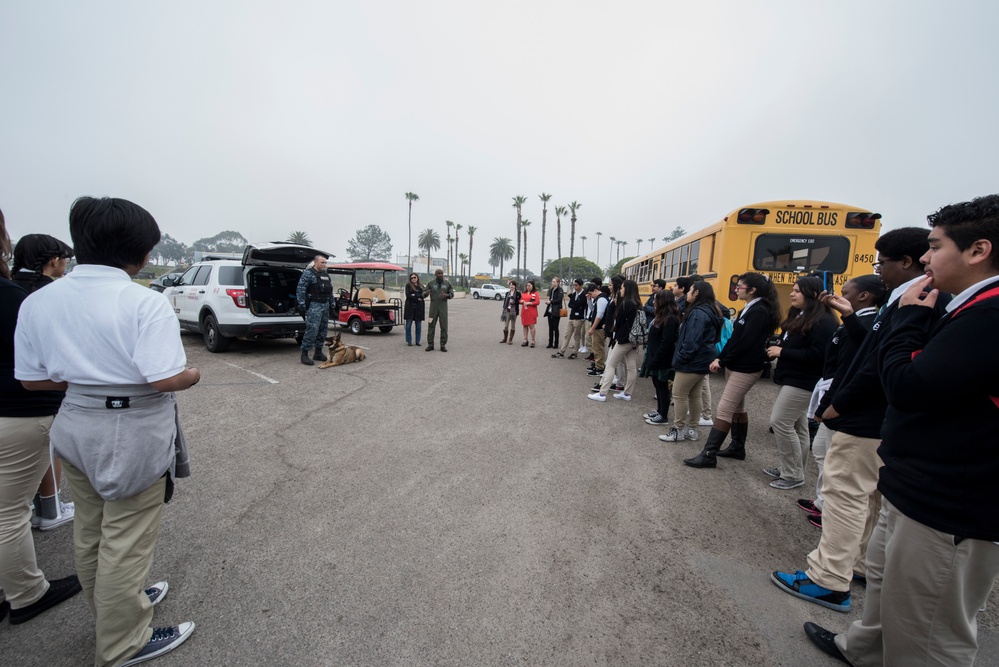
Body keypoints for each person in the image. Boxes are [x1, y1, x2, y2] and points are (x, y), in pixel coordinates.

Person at [803, 194, 999, 667]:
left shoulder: (988, 315)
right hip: (915, 483)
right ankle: (865, 649)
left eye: (934, 247)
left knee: (930, 630)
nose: (925, 259)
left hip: (948, 502)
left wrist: (907, 320)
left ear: (978, 251)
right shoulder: (965, 305)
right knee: (888, 584)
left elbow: (908, 385)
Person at [15, 196, 199, 666]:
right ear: (138, 253)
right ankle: (123, 643)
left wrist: (84, 377)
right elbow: (164, 377)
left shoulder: (39, 301)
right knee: (126, 537)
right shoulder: (143, 301)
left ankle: (114, 608)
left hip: (73, 420)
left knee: (91, 528)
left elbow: (32, 379)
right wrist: (192, 375)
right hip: (131, 426)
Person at [772, 228, 944, 613]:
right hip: (878, 419)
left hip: (864, 418)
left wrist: (839, 403)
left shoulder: (916, 302)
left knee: (844, 496)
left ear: (905, 262)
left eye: (881, 262)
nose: (878, 269)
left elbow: (875, 364)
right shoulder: (913, 300)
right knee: (869, 499)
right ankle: (859, 564)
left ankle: (828, 579)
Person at [0, 208, 82, 627]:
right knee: (9, 513)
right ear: (52, 261)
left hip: (13, 411)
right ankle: (26, 592)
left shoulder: (17, 289)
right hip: (19, 411)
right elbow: (50, 363)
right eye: (63, 260)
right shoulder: (28, 298)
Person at [796, 275, 884, 526]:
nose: (838, 296)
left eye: (845, 292)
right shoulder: (852, 322)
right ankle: (822, 500)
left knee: (835, 460)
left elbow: (852, 365)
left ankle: (830, 509)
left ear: (864, 296)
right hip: (832, 391)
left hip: (840, 399)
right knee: (822, 451)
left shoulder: (867, 323)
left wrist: (830, 403)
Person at [11, 233, 77, 530]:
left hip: (13, 388)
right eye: (65, 259)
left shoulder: (11, 288)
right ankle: (50, 509)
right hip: (37, 394)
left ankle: (43, 507)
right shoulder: (49, 296)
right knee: (48, 450)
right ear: (54, 261)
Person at [683, 272, 781, 467]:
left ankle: (709, 454)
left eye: (741, 286)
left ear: (753, 290)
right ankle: (737, 447)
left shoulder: (759, 310)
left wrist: (723, 360)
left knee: (725, 408)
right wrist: (721, 357)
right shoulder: (751, 308)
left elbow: (745, 342)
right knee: (737, 407)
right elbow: (735, 339)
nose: (736, 289)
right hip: (738, 365)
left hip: (746, 367)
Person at [763, 276, 837, 490]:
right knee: (798, 426)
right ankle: (793, 468)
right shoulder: (802, 315)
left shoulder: (823, 321)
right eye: (793, 290)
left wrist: (783, 352)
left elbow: (818, 355)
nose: (792, 294)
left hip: (803, 382)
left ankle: (793, 474)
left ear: (813, 294)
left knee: (780, 422)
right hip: (791, 378)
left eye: (797, 291)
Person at [660, 281, 723, 442]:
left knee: (679, 394)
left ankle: (678, 429)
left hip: (691, 361)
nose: (688, 293)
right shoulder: (711, 310)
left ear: (697, 293)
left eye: (691, 291)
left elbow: (691, 340)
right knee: (694, 396)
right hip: (703, 359)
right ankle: (692, 429)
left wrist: (682, 357)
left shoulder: (698, 313)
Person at [588, 279, 643, 402]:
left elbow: (618, 321)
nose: (621, 290)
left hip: (623, 339)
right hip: (634, 339)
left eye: (622, 288)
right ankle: (627, 393)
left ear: (627, 289)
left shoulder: (626, 304)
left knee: (610, 364)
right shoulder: (638, 303)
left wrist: (613, 305)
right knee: (631, 366)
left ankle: (602, 393)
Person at [640, 289, 680, 424]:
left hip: (662, 359)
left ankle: (663, 416)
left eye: (656, 299)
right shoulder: (661, 315)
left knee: (662, 387)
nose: (653, 301)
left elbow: (666, 342)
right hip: (654, 355)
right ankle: (659, 411)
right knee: (657, 384)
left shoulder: (670, 319)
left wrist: (655, 359)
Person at [295, 254, 335, 366]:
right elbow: (300, 290)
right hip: (314, 305)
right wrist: (302, 305)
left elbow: (330, 291)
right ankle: (304, 354)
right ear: (315, 262)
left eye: (325, 263)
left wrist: (332, 304)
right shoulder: (308, 274)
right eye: (322, 262)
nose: (324, 264)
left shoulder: (326, 275)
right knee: (312, 330)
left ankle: (318, 352)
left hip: (325, 305)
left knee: (323, 330)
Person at [553, 278, 586, 359]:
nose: (575, 287)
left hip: (579, 318)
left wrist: (574, 302)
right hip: (572, 317)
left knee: (576, 336)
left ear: (581, 285)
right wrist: (575, 303)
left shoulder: (583, 295)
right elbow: (571, 305)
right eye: (574, 285)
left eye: (576, 285)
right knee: (567, 335)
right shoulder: (575, 294)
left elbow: (579, 304)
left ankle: (575, 352)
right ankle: (561, 352)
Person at [424, 268, 454, 352]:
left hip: (443, 308)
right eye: (438, 273)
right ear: (435, 274)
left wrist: (447, 295)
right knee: (431, 325)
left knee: (444, 326)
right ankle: (430, 344)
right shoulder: (430, 283)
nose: (440, 274)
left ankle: (443, 345)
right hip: (433, 308)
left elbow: (452, 294)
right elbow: (424, 293)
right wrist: (425, 293)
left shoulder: (447, 283)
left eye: (441, 273)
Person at [585, 284, 610, 378]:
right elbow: (592, 310)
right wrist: (588, 300)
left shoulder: (602, 299)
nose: (591, 296)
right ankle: (597, 365)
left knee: (598, 348)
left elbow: (599, 315)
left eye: (591, 294)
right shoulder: (598, 299)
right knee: (595, 347)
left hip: (599, 328)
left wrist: (592, 328)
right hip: (597, 327)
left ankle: (599, 367)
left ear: (595, 290)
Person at [403, 272, 425, 347]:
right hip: (410, 308)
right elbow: (408, 295)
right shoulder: (408, 285)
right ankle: (409, 340)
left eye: (414, 277)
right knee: (408, 325)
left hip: (419, 308)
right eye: (411, 278)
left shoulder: (421, 286)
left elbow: (422, 295)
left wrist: (414, 295)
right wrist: (417, 296)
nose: (413, 279)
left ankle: (418, 341)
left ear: (417, 278)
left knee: (418, 326)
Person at [519, 280, 540, 347]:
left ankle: (533, 340)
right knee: (525, 325)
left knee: (531, 326)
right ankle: (525, 339)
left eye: (529, 285)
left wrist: (529, 303)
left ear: (532, 286)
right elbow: (520, 300)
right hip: (524, 311)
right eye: (527, 286)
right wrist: (521, 301)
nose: (528, 287)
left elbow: (537, 302)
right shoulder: (524, 293)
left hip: (531, 311)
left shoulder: (535, 293)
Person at [544, 276, 564, 349]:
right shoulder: (552, 289)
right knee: (550, 327)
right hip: (550, 310)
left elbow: (559, 300)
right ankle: (550, 342)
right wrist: (549, 302)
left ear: (558, 283)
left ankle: (556, 343)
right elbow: (550, 298)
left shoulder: (560, 290)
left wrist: (551, 302)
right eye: (552, 281)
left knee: (555, 327)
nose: (553, 283)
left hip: (556, 311)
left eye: (554, 282)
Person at [500, 280, 521, 345]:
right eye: (510, 285)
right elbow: (505, 302)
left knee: (512, 326)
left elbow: (519, 302)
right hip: (507, 311)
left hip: (514, 311)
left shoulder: (518, 293)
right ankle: (505, 338)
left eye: (513, 285)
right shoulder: (507, 293)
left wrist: (514, 302)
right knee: (506, 326)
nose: (511, 286)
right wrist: (504, 309)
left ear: (515, 286)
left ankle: (510, 339)